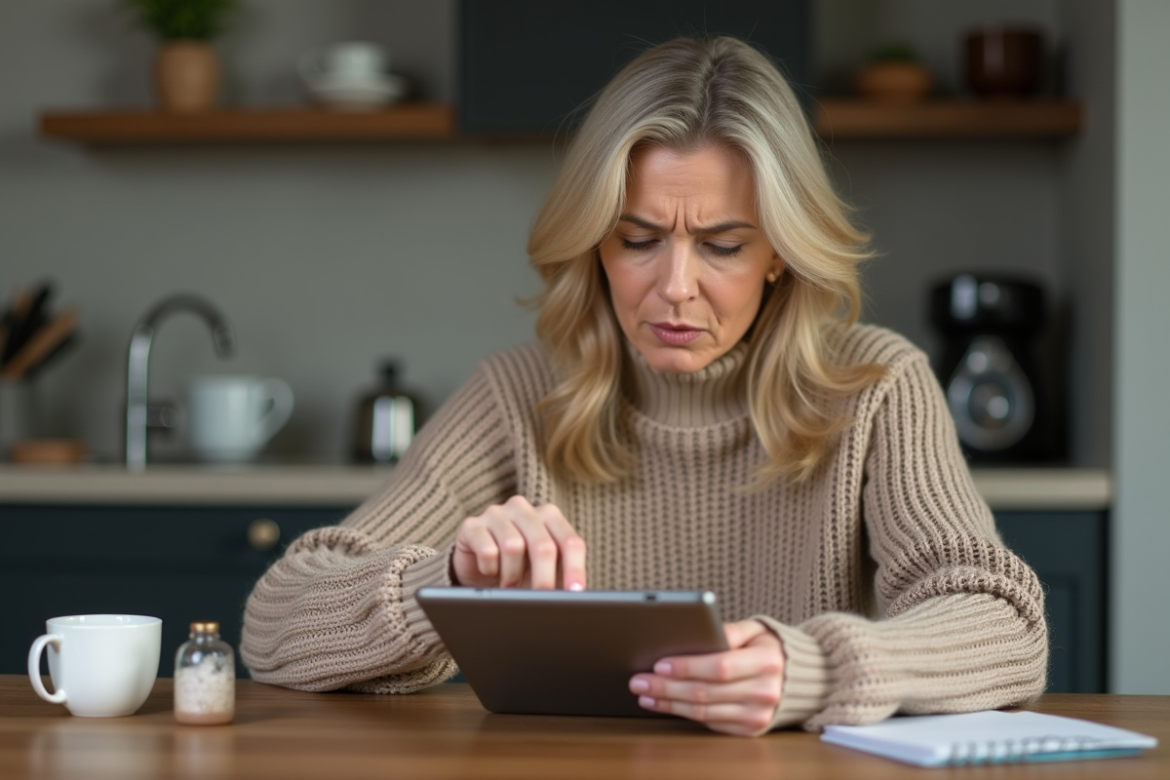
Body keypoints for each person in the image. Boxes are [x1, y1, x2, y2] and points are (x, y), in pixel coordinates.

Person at [241, 36, 1047, 737]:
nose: (674, 287)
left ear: (780, 253)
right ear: (595, 241)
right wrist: (447, 583)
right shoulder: (519, 393)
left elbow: (1006, 626)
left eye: (723, 245)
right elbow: (274, 623)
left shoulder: (874, 388)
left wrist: (812, 668)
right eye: (639, 238)